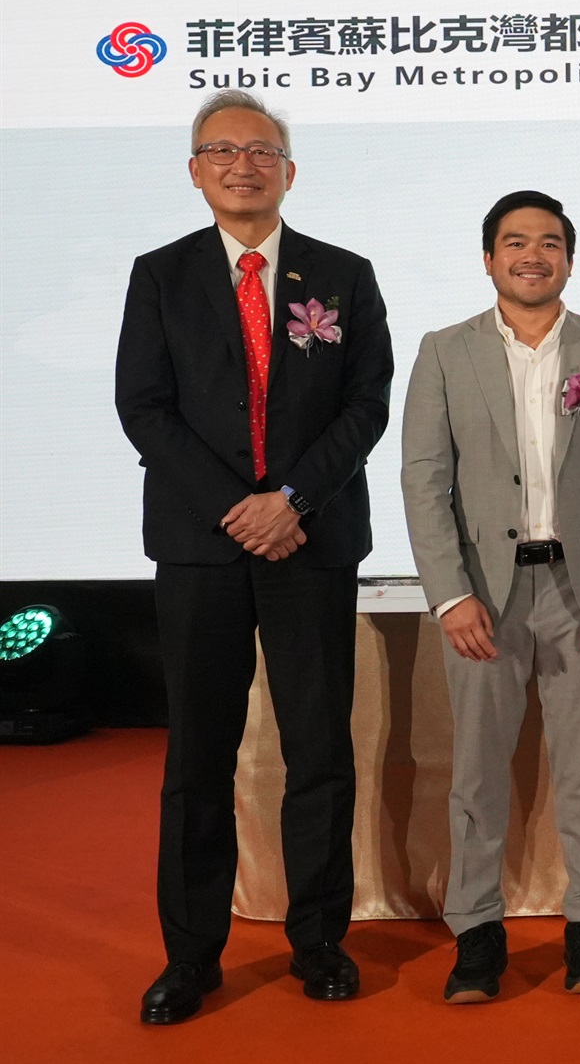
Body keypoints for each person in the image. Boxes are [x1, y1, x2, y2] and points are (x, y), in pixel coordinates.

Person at [115, 90, 392, 1024]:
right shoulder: (160, 275)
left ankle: (319, 941)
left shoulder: (342, 275)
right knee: (198, 754)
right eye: (221, 151)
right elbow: (144, 408)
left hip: (310, 541)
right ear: (195, 171)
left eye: (261, 150)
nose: (243, 164)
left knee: (319, 749)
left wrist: (292, 500)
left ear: (289, 169)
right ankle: (192, 954)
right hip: (201, 547)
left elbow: (367, 404)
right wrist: (238, 507)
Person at [401, 191, 580, 1003]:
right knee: (476, 775)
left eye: (549, 242)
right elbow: (424, 481)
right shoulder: (445, 350)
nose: (532, 255)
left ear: (569, 260)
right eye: (515, 242)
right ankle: (476, 935)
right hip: (482, 594)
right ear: (488, 258)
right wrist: (448, 594)